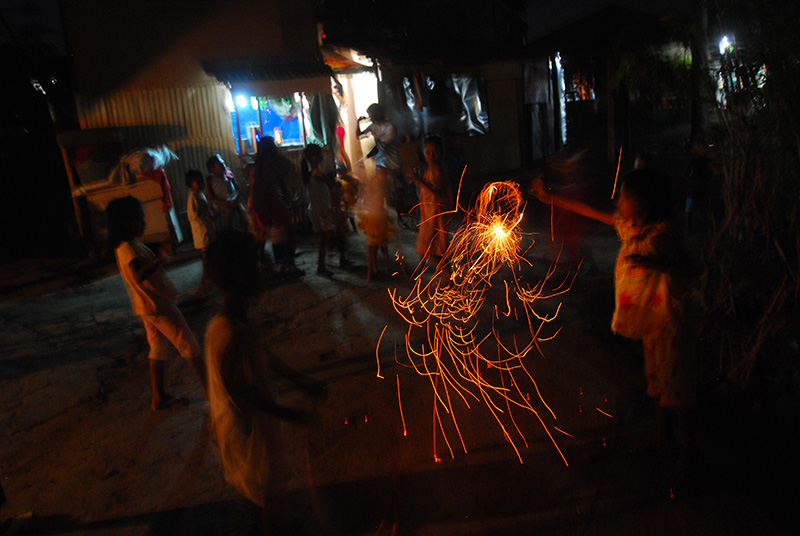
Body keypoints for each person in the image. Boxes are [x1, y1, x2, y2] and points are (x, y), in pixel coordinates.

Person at [530, 169, 697, 472]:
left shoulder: (659, 236)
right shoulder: (627, 226)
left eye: (623, 196)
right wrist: (549, 197)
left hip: (670, 325)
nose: (617, 201)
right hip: (651, 324)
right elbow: (590, 211)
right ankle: (662, 437)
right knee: (658, 382)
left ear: (642, 203)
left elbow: (689, 267)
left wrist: (653, 261)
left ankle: (688, 454)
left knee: (678, 390)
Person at [204, 231, 313, 536]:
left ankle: (270, 521)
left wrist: (302, 382)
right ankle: (273, 527)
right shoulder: (229, 332)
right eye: (259, 267)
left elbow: (263, 354)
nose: (264, 273)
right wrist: (287, 413)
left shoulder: (238, 320)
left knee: (264, 485)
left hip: (252, 420)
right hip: (246, 427)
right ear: (241, 277)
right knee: (269, 484)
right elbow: (240, 391)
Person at [106, 196, 207, 410]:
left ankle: (159, 397)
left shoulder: (128, 245)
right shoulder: (129, 248)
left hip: (146, 307)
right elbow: (139, 275)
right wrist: (159, 258)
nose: (144, 222)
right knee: (188, 344)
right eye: (139, 218)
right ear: (126, 222)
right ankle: (212, 392)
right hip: (157, 306)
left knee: (158, 349)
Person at [252, 137, 304, 276]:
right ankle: (289, 265)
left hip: (258, 202)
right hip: (270, 201)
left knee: (265, 235)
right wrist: (288, 199)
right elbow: (284, 176)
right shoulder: (273, 163)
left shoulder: (259, 165)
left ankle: (262, 263)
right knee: (288, 233)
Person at [356, 103, 410, 226]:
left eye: (372, 115)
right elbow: (358, 135)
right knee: (382, 191)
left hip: (392, 163)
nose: (371, 118)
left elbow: (383, 147)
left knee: (395, 192)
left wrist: (368, 155)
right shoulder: (374, 126)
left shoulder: (389, 127)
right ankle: (387, 217)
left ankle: (399, 218)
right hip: (380, 163)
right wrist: (358, 124)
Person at [407, 136, 453, 272]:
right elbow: (425, 187)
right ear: (423, 153)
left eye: (435, 152)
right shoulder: (428, 169)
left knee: (427, 247)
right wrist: (416, 180)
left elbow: (438, 193)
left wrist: (419, 181)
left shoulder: (437, 171)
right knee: (432, 246)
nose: (432, 156)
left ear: (440, 152)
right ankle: (446, 274)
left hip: (435, 214)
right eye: (428, 152)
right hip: (428, 213)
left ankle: (446, 274)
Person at [302, 143, 339, 276]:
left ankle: (323, 263)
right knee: (326, 238)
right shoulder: (317, 174)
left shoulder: (310, 174)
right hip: (322, 211)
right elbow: (332, 185)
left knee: (325, 238)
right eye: (320, 154)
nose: (323, 156)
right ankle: (322, 265)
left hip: (317, 209)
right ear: (314, 157)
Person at [185, 169, 216, 297]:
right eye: (197, 181)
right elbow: (192, 215)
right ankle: (206, 276)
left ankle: (209, 274)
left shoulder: (200, 194)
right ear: (190, 184)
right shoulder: (192, 197)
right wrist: (205, 216)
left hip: (206, 228)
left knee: (208, 253)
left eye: (201, 180)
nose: (201, 183)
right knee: (205, 255)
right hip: (201, 230)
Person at [206, 153, 249, 231]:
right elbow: (211, 197)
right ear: (212, 168)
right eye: (220, 164)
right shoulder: (210, 179)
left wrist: (235, 198)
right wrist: (224, 202)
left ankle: (244, 231)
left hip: (233, 198)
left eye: (223, 163)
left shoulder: (228, 173)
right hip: (220, 202)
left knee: (243, 211)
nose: (223, 165)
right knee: (228, 210)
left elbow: (237, 188)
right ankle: (228, 233)